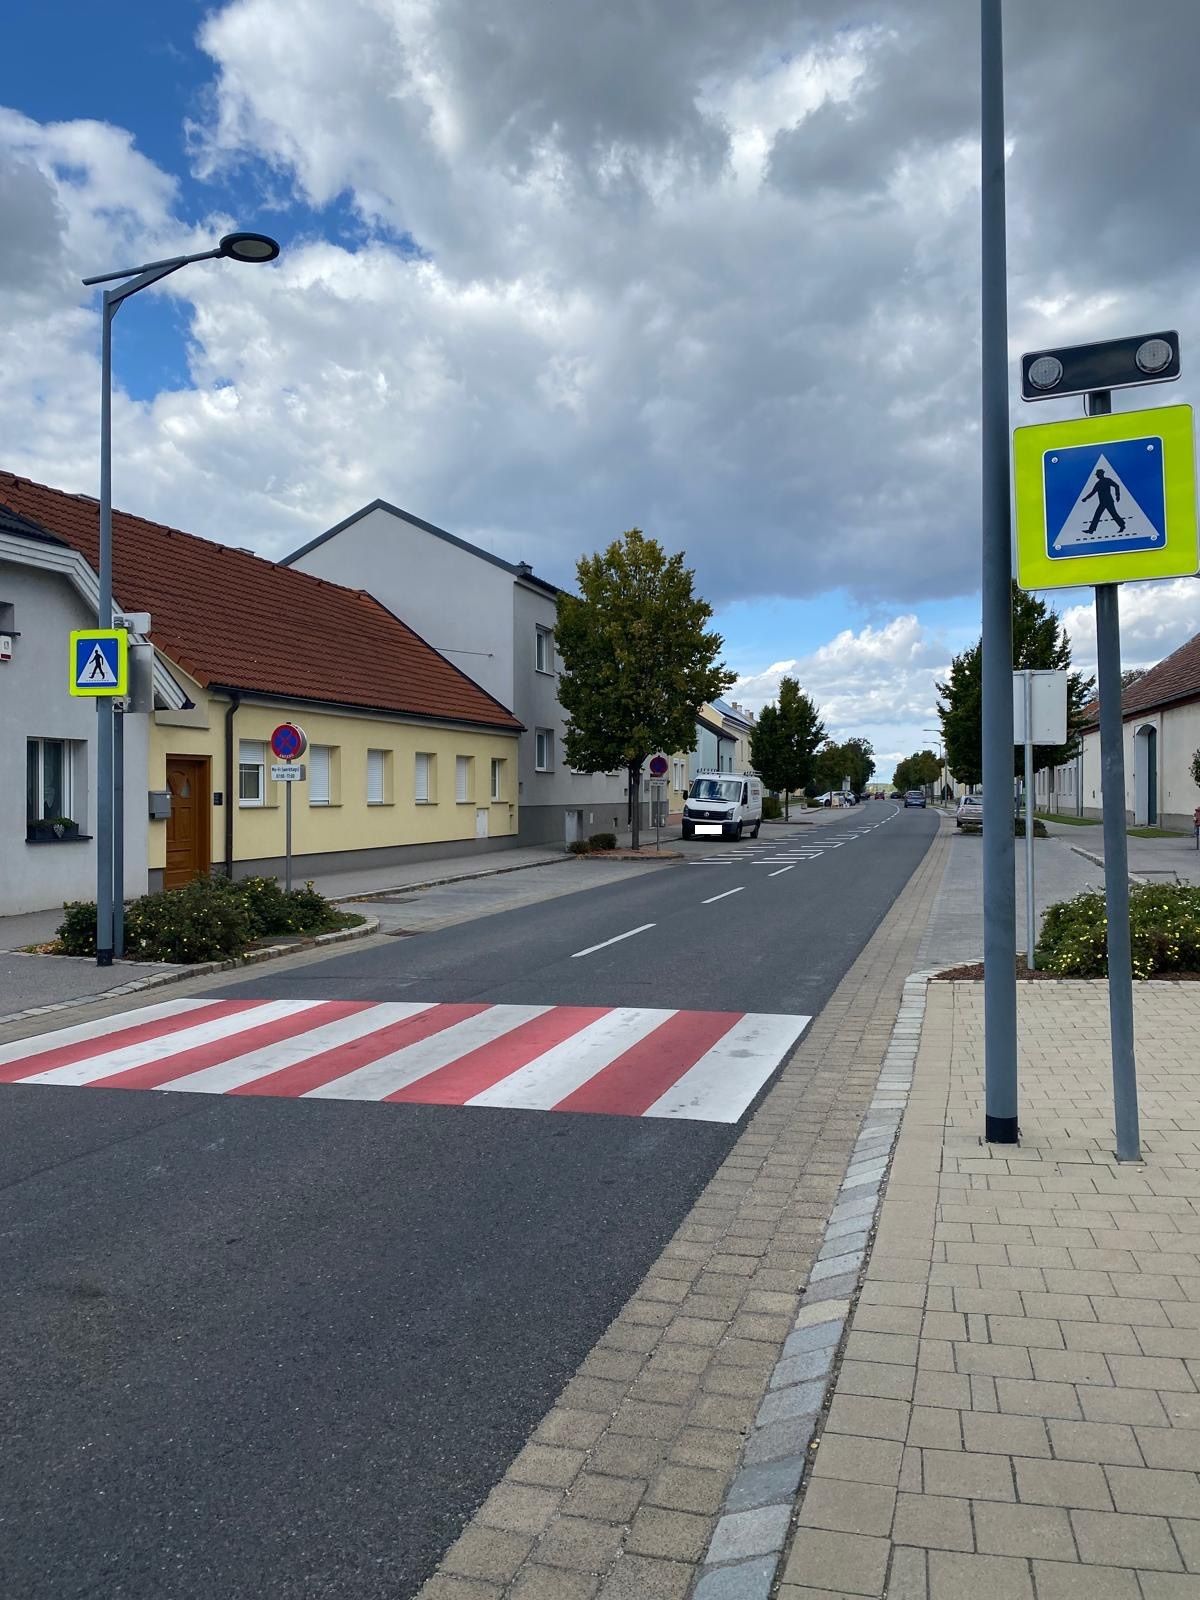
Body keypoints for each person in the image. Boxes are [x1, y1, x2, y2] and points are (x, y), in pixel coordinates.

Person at [1082, 468, 1126, 535]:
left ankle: (1122, 525)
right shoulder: (1098, 483)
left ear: (1101, 474)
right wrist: (1086, 498)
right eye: (1097, 475)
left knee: (1113, 514)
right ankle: (1091, 530)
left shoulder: (1107, 480)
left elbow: (1116, 486)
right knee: (1097, 515)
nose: (1097, 476)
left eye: (1097, 475)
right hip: (1102, 502)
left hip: (1109, 501)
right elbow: (1093, 492)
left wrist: (1117, 495)